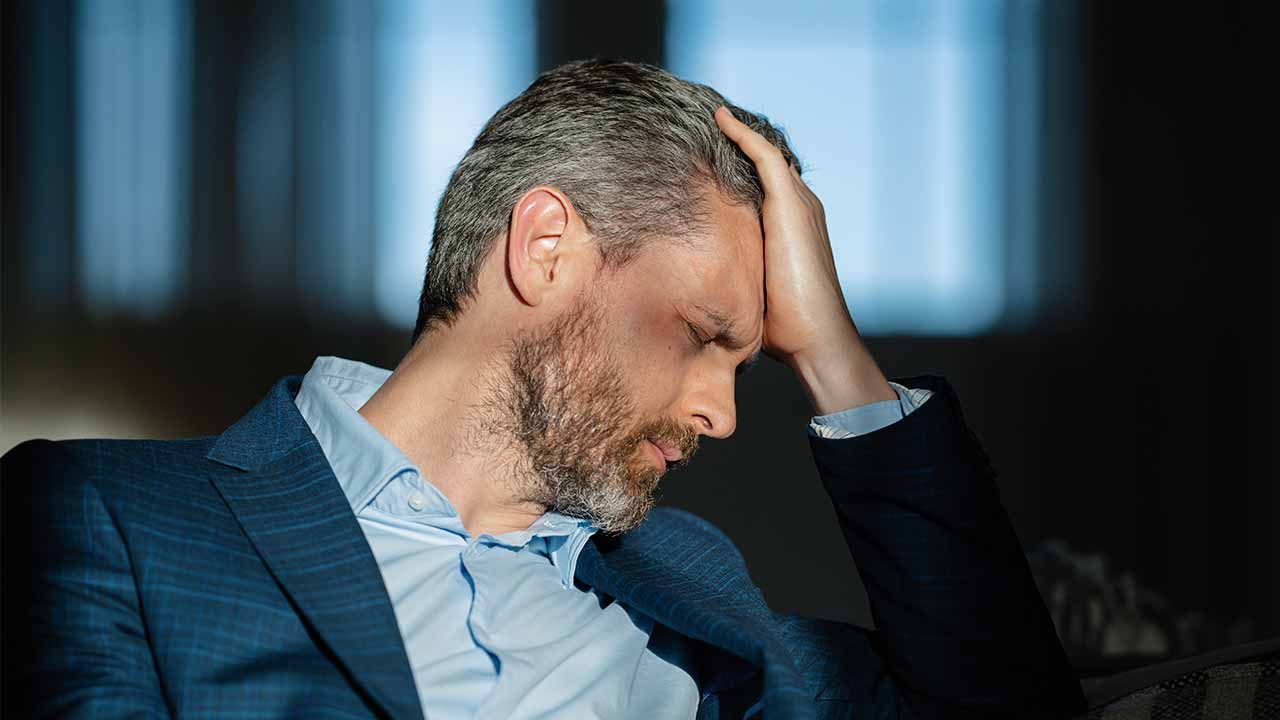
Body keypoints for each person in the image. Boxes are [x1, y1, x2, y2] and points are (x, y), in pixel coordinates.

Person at [1, 60, 1085, 719]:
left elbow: (1000, 709)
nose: (719, 414)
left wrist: (833, 353)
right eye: (707, 337)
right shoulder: (114, 518)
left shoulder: (692, 604)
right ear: (547, 248)